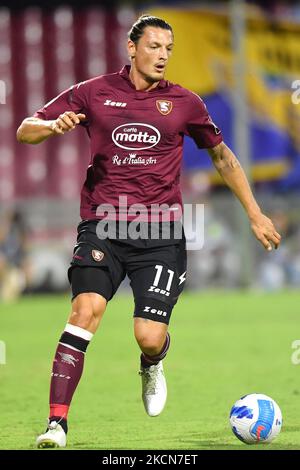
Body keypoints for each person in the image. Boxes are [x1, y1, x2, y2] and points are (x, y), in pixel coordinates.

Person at [16, 14, 281, 448]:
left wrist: (255, 213)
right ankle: (56, 425)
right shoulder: (93, 92)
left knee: (149, 336)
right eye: (155, 46)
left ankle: (152, 362)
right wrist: (51, 126)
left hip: (159, 235)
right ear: (132, 48)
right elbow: (26, 129)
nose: (162, 56)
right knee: (84, 313)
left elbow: (223, 159)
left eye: (168, 49)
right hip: (102, 226)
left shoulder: (185, 103)